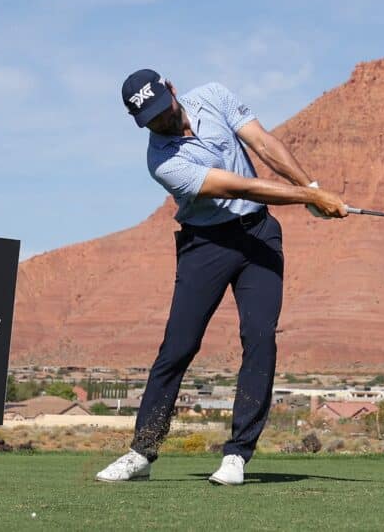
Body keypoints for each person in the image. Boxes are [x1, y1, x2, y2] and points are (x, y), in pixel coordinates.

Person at [96, 69, 347, 485]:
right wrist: (311, 197)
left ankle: (237, 455)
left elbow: (263, 143)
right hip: (206, 245)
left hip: (258, 236)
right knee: (179, 346)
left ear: (172, 90)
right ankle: (142, 450)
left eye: (164, 109)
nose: (162, 121)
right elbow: (240, 187)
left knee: (260, 337)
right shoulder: (162, 161)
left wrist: (312, 190)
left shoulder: (213, 96)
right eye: (152, 119)